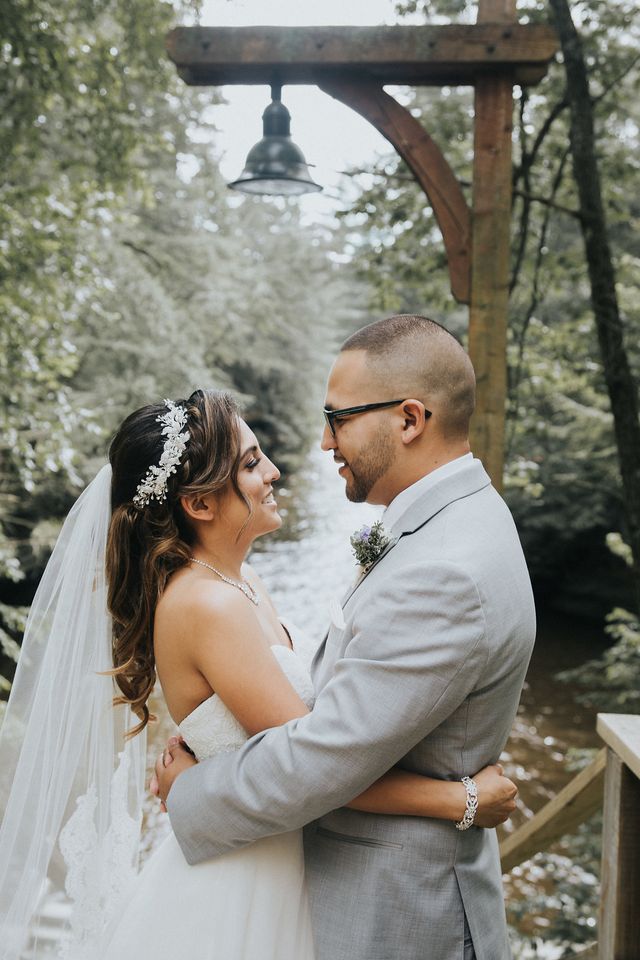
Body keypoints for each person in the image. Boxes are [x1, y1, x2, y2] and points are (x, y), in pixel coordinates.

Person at [0, 385, 516, 960]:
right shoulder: (207, 605)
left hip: (278, 854)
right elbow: (316, 769)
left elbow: (304, 743)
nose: (272, 471)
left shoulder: (240, 582)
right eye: (250, 463)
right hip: (244, 883)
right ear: (198, 504)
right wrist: (460, 800)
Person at [155, 316, 537, 960]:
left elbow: (322, 758)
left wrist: (190, 793)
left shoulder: (443, 567)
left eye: (339, 418)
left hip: (402, 913)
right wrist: (461, 799)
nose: (324, 442)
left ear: (410, 419)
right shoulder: (457, 521)